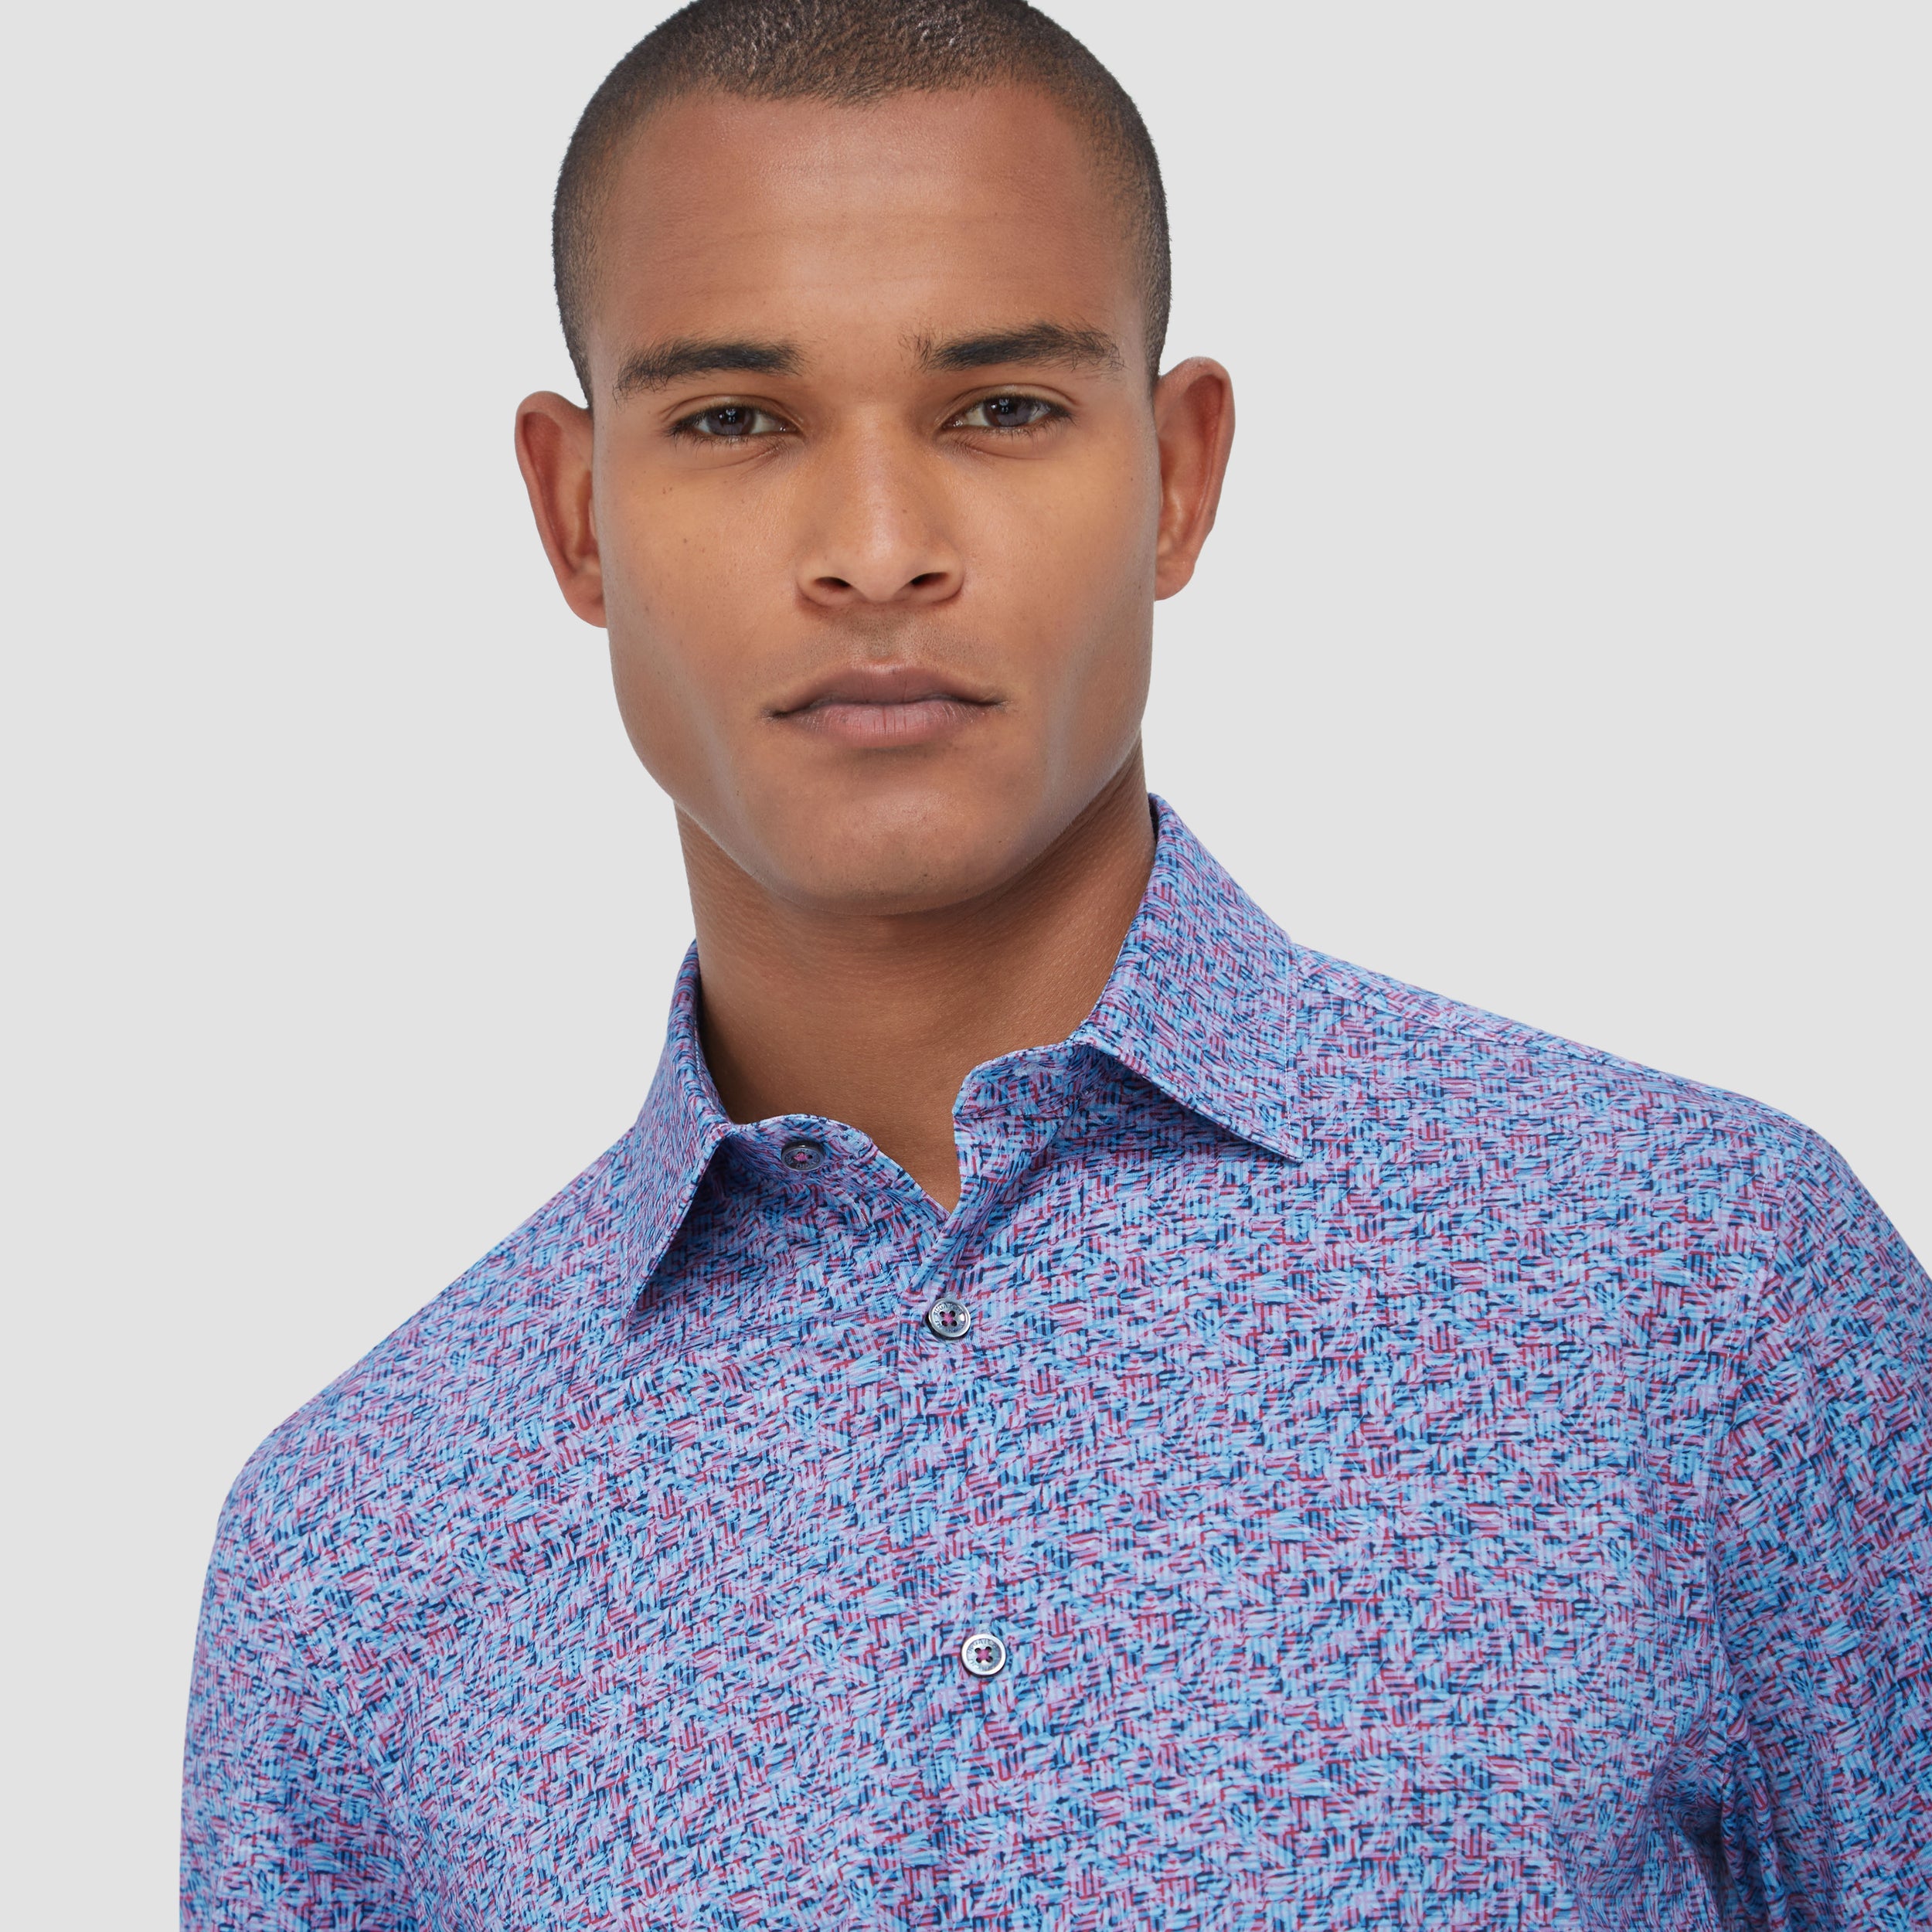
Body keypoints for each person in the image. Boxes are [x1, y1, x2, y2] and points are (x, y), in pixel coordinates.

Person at [181, 2, 1930, 1924]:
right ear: (571, 511)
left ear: (1176, 473)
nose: (874, 549)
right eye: (735, 418)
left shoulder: (1702, 1295)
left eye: (999, 407)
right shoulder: (354, 1554)